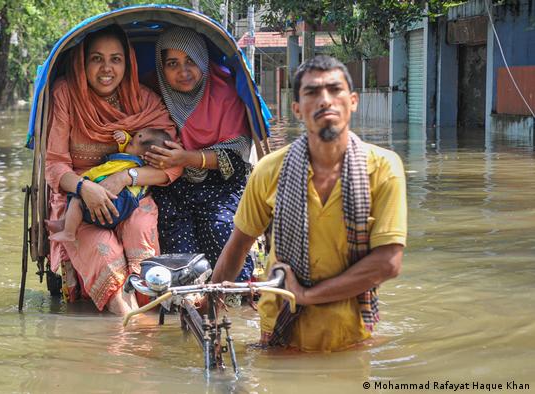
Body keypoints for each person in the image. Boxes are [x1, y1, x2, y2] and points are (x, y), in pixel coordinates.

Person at [211, 55, 407, 352]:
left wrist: (306, 295)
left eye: (334, 90)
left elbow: (388, 263)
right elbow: (238, 245)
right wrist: (209, 309)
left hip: (350, 334)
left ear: (352, 101)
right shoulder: (269, 170)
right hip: (280, 332)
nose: (325, 100)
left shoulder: (383, 168)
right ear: (297, 109)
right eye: (312, 93)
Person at [45, 25, 181, 315]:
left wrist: (124, 177)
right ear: (83, 62)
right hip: (78, 197)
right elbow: (55, 163)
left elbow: (171, 164)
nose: (107, 69)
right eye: (97, 59)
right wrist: (86, 189)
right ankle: (131, 330)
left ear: (127, 63)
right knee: (103, 251)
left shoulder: (144, 100)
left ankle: (142, 321)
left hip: (132, 192)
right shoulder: (66, 94)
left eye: (115, 59)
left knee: (140, 232)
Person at [144, 26, 255, 281]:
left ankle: (236, 304)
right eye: (173, 63)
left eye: (190, 61)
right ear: (162, 68)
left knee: (222, 229)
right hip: (169, 187)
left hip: (221, 185)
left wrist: (187, 158)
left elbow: (237, 162)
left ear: (203, 60)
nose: (183, 72)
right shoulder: (149, 93)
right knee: (177, 252)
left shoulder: (225, 93)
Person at [46, 128, 172, 242]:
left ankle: (69, 231)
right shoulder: (141, 164)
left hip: (114, 201)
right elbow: (129, 149)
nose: (129, 140)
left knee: (77, 197)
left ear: (142, 156)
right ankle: (67, 223)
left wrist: (86, 180)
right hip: (125, 205)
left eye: (131, 142)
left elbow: (102, 172)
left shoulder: (125, 162)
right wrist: (125, 138)